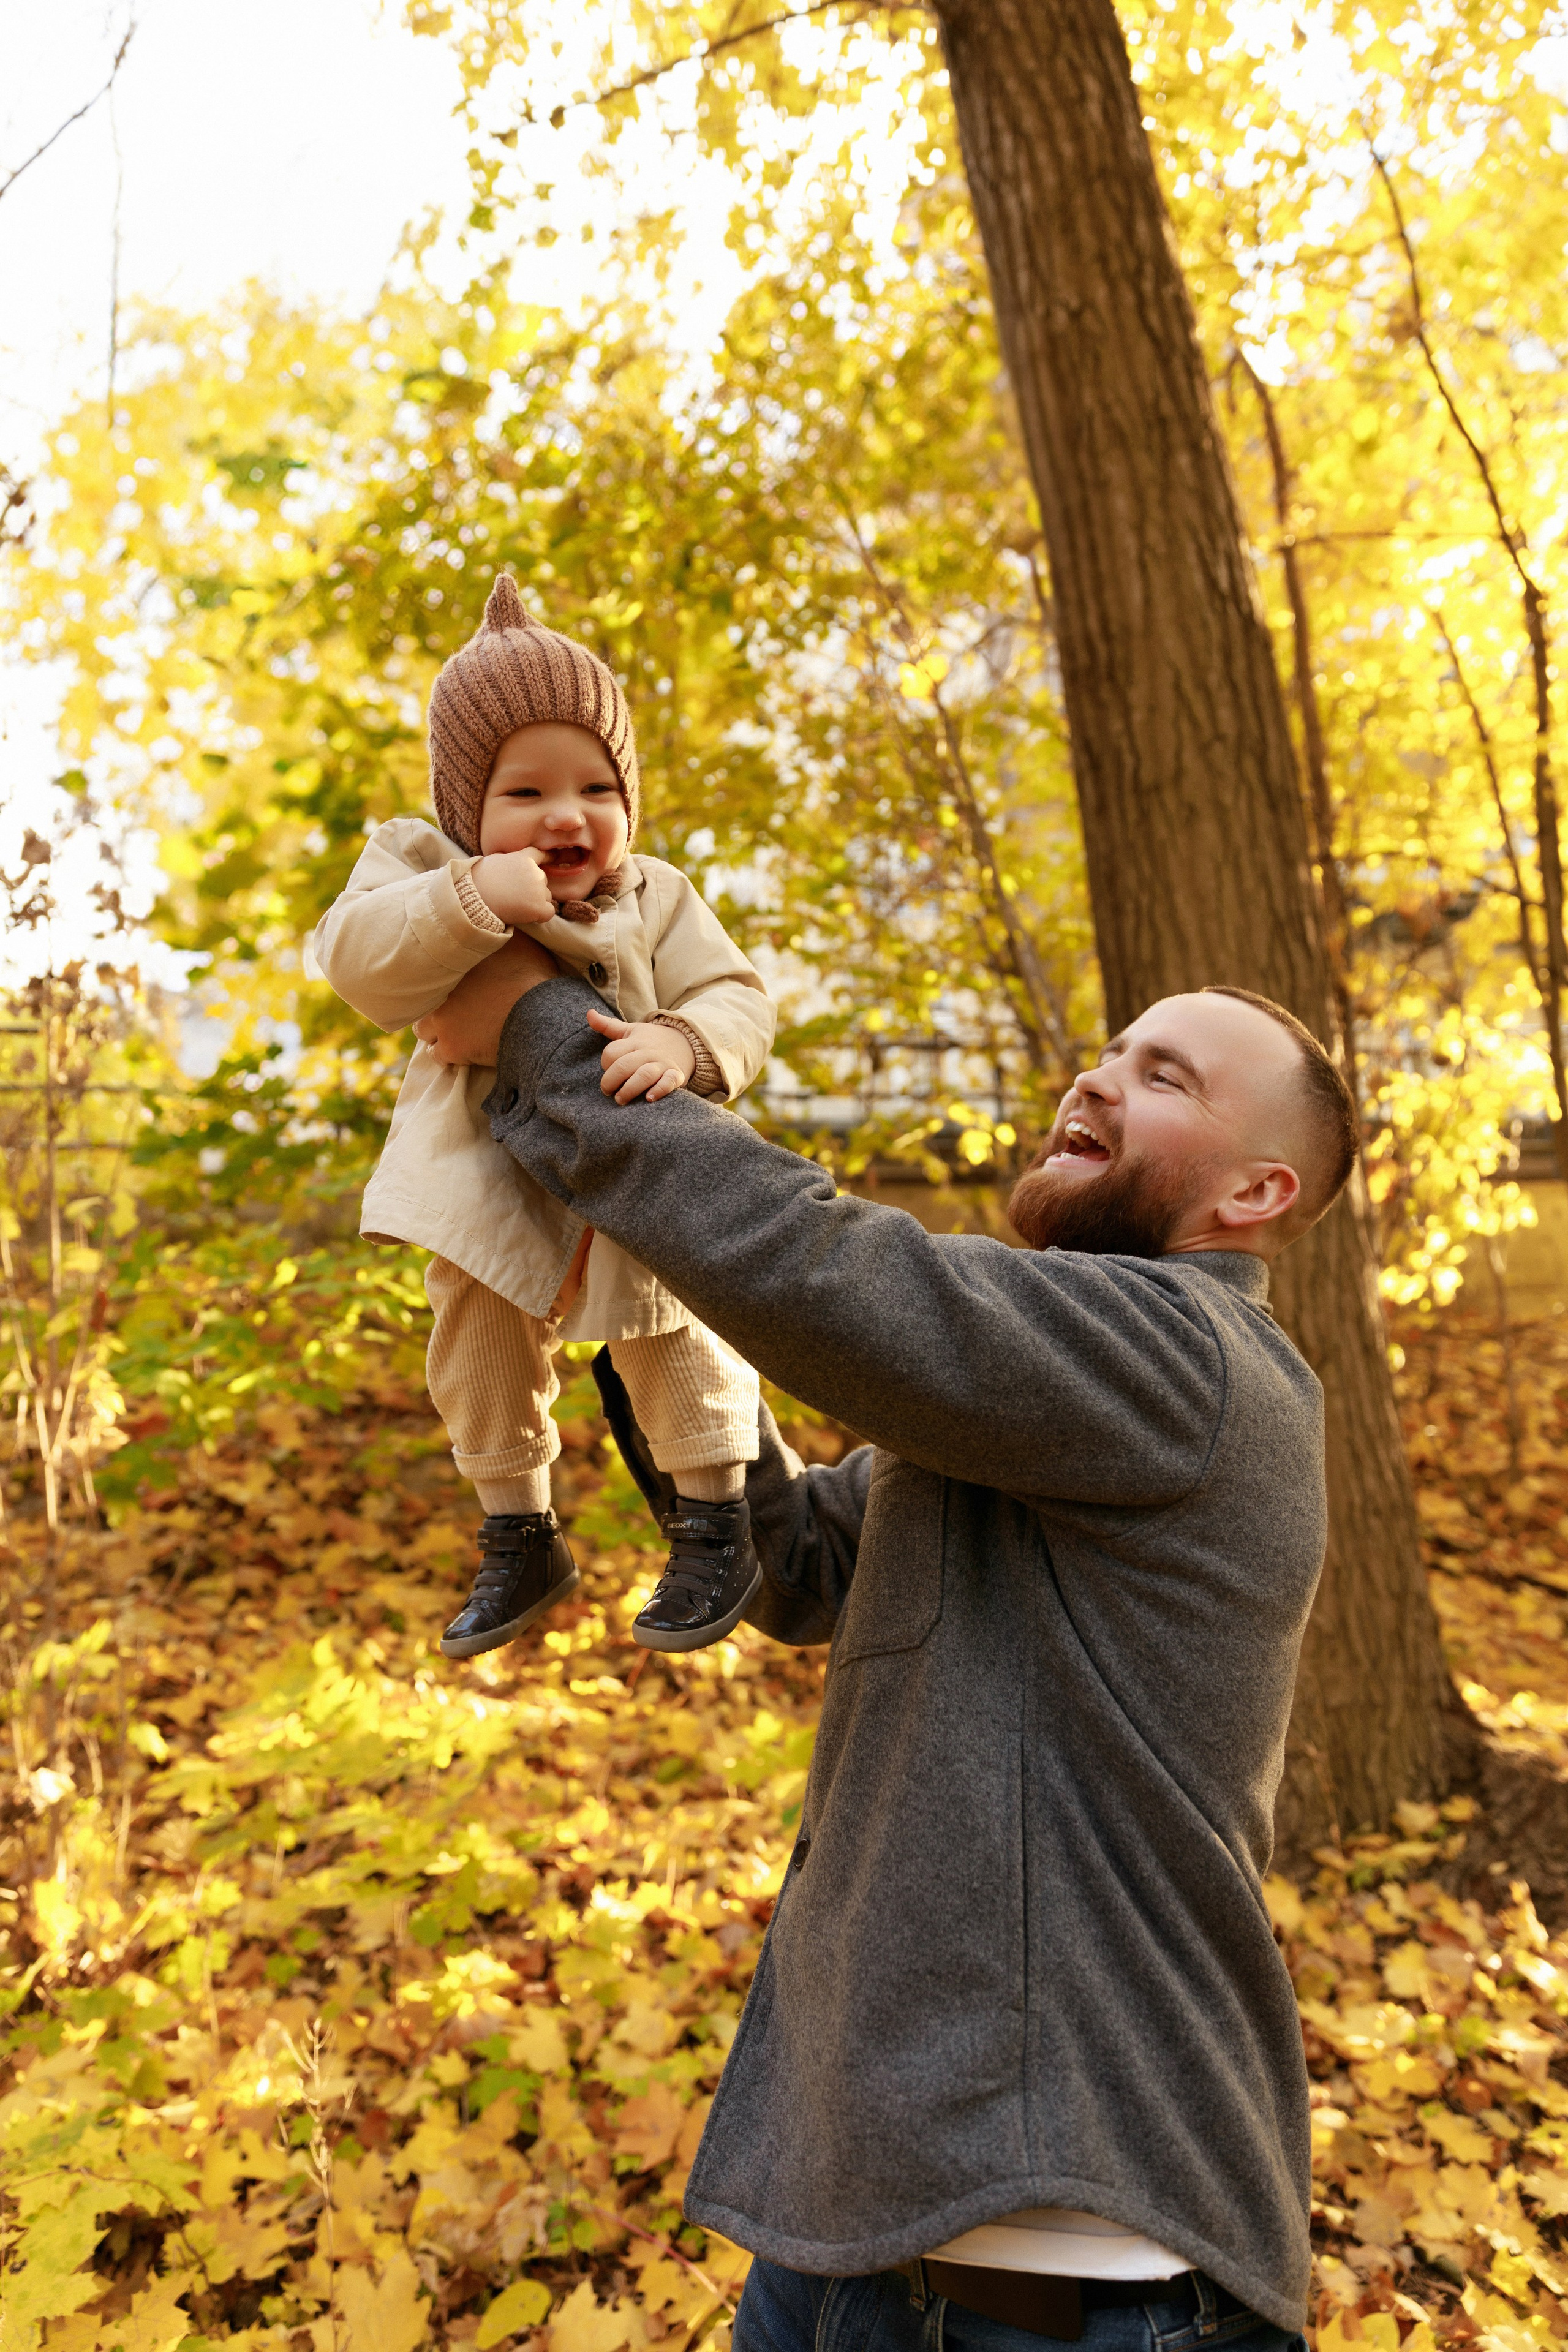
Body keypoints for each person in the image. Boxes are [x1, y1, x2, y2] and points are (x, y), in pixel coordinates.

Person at [416, 951, 1359, 2352]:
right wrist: (650, 1331)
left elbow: (828, 1270)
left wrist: (546, 1033)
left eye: (1163, 1077)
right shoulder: (1023, 1412)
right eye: (1109, 1049)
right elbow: (796, 1561)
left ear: (1254, 1195)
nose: (1094, 1076)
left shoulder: (1194, 1367)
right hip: (846, 2240)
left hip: (1074, 2279)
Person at [312, 576, 775, 1660]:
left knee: (679, 1332)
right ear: (465, 804)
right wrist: (474, 902)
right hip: (488, 1178)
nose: (567, 816)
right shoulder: (420, 866)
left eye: (597, 786)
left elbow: (740, 993)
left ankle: (715, 1525)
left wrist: (687, 1043)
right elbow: (356, 962)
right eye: (524, 793)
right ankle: (519, 1527)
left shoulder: (654, 895)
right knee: (476, 1350)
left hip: (635, 1174)